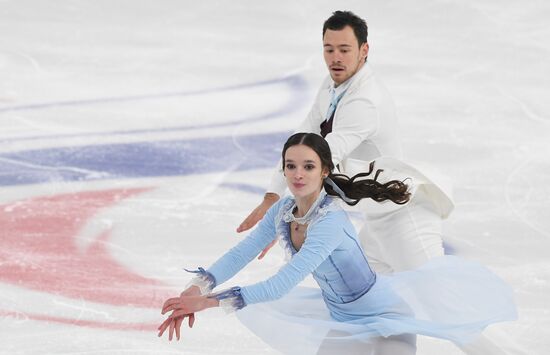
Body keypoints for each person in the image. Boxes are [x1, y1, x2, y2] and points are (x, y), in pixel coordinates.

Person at [158, 133, 516, 355]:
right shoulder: (283, 211)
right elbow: (242, 252)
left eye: (308, 167)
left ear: (324, 171)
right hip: (343, 321)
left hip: (388, 319)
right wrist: (193, 289)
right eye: (291, 166)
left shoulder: (330, 222)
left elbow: (284, 281)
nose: (298, 175)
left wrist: (209, 302)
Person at [237, 10, 454, 274]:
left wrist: (286, 218)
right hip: (376, 220)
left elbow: (321, 160)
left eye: (344, 49)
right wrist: (273, 196)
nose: (335, 58)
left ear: (364, 50)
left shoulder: (365, 100)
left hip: (406, 218)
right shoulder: (331, 86)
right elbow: (301, 141)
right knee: (369, 308)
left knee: (437, 302)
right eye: (329, 50)